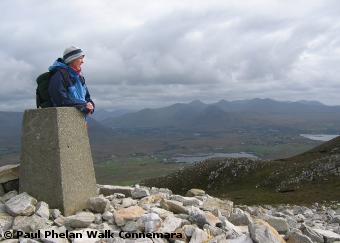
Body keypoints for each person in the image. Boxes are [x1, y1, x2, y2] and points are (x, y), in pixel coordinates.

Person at [48, 46, 95, 121]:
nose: (82, 61)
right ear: (72, 59)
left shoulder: (80, 78)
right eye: (80, 58)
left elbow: (87, 97)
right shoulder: (59, 76)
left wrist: (90, 106)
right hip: (65, 122)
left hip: (80, 121)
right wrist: (84, 105)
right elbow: (61, 100)